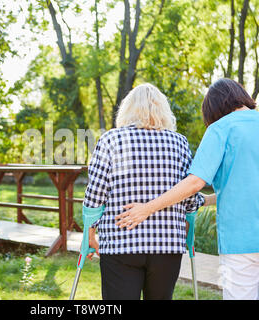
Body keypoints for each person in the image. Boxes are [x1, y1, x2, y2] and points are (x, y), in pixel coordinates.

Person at [116, 78, 259, 300]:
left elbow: (194, 182)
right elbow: (252, 184)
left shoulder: (220, 128)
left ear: (214, 107)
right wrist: (207, 200)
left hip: (243, 240)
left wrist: (146, 208)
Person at [83, 83, 215, 300]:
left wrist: (89, 234)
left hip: (120, 243)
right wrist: (209, 200)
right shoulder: (179, 142)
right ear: (163, 111)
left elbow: (95, 196)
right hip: (167, 245)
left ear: (127, 109)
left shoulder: (111, 140)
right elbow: (189, 198)